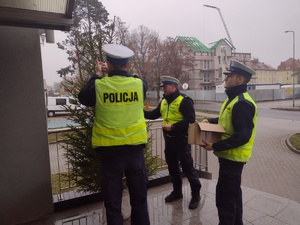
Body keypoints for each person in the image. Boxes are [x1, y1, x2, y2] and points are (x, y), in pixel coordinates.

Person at [78, 44, 150, 225]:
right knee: (140, 201)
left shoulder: (99, 86)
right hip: (135, 152)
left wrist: (97, 74)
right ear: (128, 64)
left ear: (108, 64)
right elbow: (137, 81)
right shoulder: (139, 85)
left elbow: (83, 98)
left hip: (110, 153)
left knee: (113, 204)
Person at [201, 60, 258, 225]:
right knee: (233, 196)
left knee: (226, 199)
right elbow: (226, 120)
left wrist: (215, 146)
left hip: (233, 159)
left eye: (229, 76)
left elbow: (243, 136)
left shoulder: (242, 103)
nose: (225, 80)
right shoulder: (233, 100)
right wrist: (210, 121)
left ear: (240, 79)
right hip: (229, 158)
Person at [144, 75, 201, 209]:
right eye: (163, 87)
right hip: (169, 141)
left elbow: (191, 120)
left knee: (188, 168)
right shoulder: (164, 101)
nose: (163, 89)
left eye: (165, 87)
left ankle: (196, 195)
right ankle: (177, 192)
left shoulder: (185, 101)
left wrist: (174, 127)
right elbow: (153, 114)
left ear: (173, 87)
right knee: (173, 167)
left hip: (182, 140)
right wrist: (138, 112)